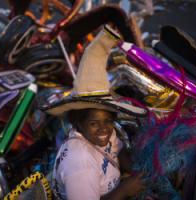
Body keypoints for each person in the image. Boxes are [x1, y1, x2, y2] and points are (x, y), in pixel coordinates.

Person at [41, 25, 148, 200]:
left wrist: (137, 171)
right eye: (93, 123)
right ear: (78, 124)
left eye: (107, 121)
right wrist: (124, 191)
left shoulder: (105, 132)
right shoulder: (80, 164)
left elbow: (117, 150)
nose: (103, 129)